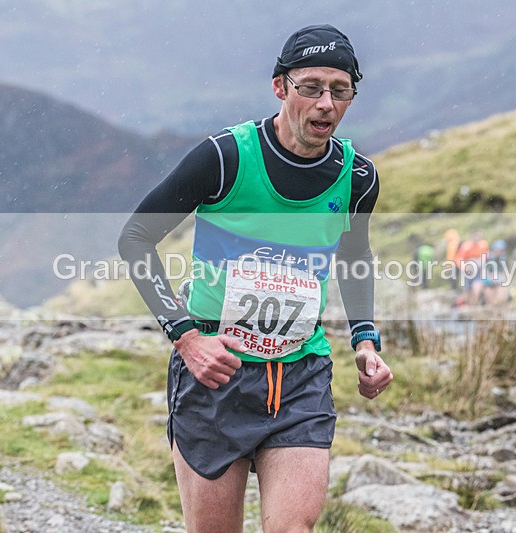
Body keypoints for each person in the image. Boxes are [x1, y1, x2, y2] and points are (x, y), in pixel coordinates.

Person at [118, 24, 393, 533]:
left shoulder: (357, 178)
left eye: (340, 89)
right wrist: (186, 339)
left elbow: (356, 255)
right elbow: (134, 238)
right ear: (280, 87)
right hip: (213, 374)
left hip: (299, 377)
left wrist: (366, 340)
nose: (326, 103)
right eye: (310, 87)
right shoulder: (224, 158)